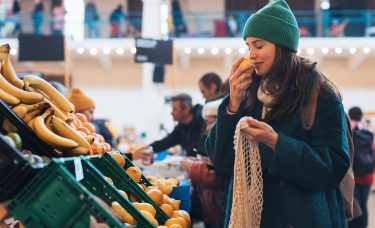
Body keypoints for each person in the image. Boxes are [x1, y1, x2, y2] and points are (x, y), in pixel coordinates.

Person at [205, 1, 350, 227]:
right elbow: (221, 159)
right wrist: (232, 104)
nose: (251, 54)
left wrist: (276, 142)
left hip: (302, 218)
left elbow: (332, 167)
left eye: (259, 45)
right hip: (250, 217)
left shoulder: (320, 94)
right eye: (248, 46)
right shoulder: (248, 91)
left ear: (282, 46)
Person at [182, 99, 224, 228]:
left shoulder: (225, 145)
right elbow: (207, 162)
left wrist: (191, 166)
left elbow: (214, 176)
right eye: (207, 122)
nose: (208, 127)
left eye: (212, 122)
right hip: (209, 206)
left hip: (218, 207)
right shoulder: (212, 141)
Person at [134, 93, 206, 160]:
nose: (171, 113)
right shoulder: (181, 126)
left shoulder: (203, 122)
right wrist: (147, 149)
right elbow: (166, 142)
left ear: (185, 110)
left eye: (175, 109)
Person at [348, 106, 375, 228]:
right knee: (363, 205)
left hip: (352, 178)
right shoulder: (369, 134)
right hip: (367, 177)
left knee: (352, 206)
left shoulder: (347, 131)